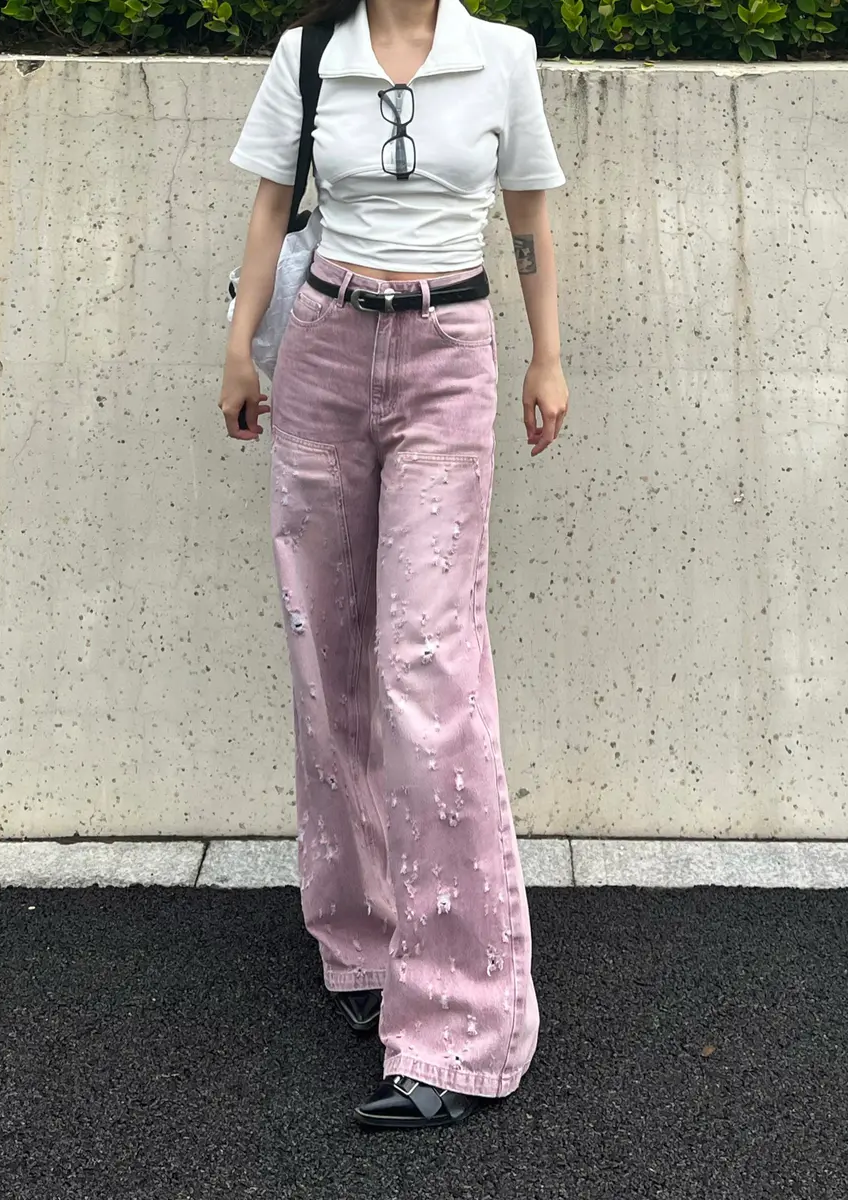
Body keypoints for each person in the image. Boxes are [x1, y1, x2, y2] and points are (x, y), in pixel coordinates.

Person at [219, 0, 568, 1131]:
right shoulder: (311, 52)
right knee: (328, 653)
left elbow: (527, 210)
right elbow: (272, 200)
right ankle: (364, 944)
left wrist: (547, 357)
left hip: (448, 354)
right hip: (322, 347)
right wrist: (241, 345)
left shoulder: (501, 56)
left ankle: (465, 1023)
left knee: (429, 664)